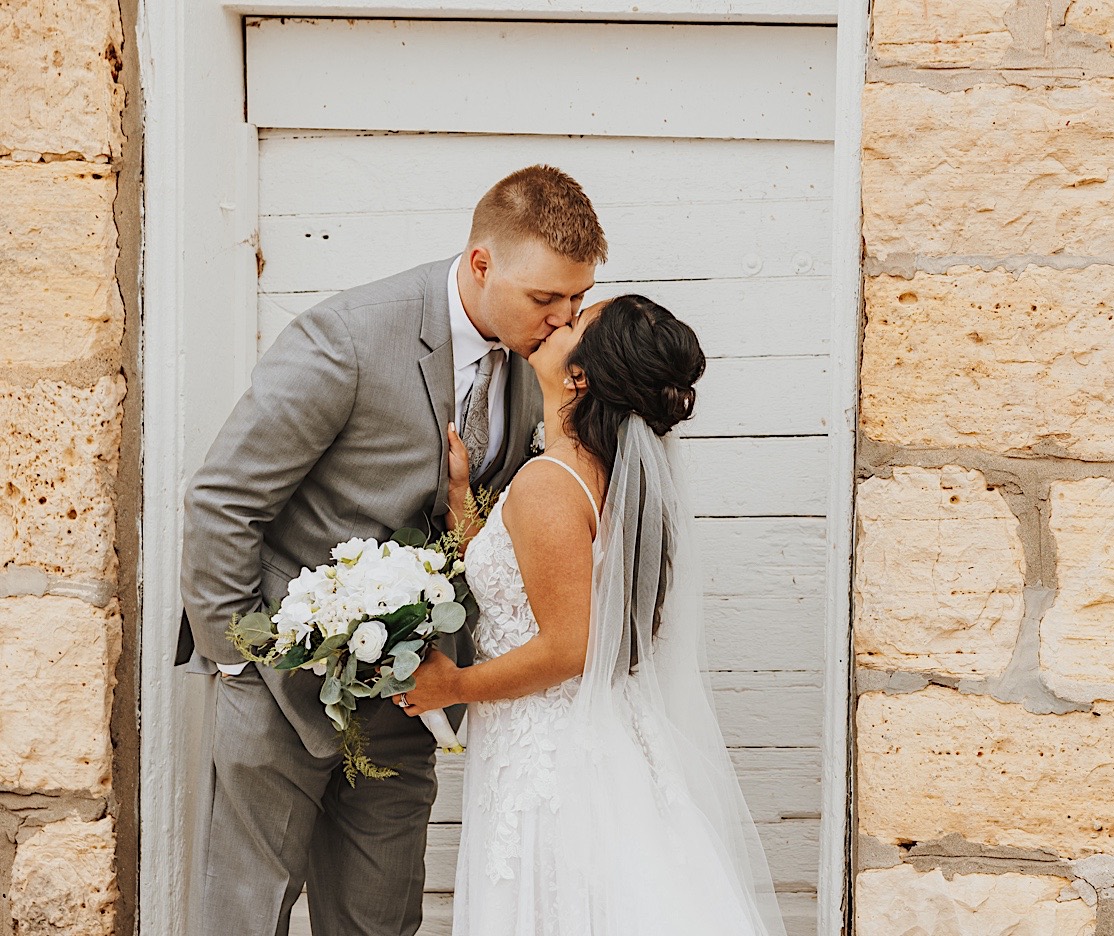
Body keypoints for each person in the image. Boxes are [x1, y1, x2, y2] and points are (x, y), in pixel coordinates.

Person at [178, 165, 606, 935]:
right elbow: (224, 498)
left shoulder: (532, 370)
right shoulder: (347, 336)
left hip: (408, 698)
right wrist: (241, 660)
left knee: (380, 920)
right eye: (546, 298)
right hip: (278, 687)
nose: (562, 320)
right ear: (482, 262)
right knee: (244, 916)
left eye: (576, 300)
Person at [400, 294, 787, 935]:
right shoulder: (594, 475)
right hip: (590, 738)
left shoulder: (552, 482)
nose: (557, 318)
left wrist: (455, 685)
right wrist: (468, 505)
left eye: (575, 320)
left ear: (579, 375)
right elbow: (526, 582)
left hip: (554, 758)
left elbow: (568, 646)